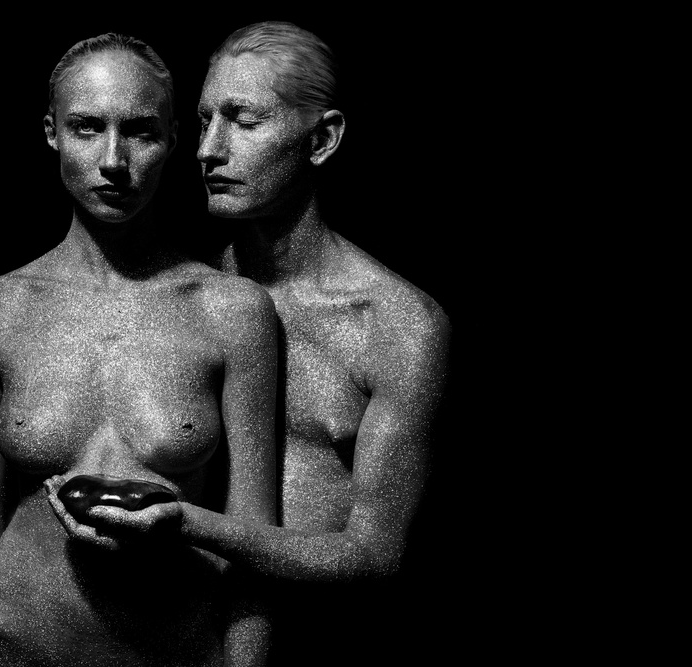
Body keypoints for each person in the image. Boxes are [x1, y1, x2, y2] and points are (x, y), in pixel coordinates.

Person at [46, 20, 451, 662]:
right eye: (204, 121)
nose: (209, 149)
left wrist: (187, 524)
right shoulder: (188, 297)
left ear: (322, 139)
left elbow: (376, 555)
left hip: (325, 647)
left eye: (243, 121)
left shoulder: (396, 325)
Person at [0, 32, 279, 667]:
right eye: (88, 128)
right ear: (52, 133)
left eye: (140, 131)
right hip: (11, 649)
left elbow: (254, 541)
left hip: (175, 654)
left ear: (173, 139)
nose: (114, 160)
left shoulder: (232, 311)